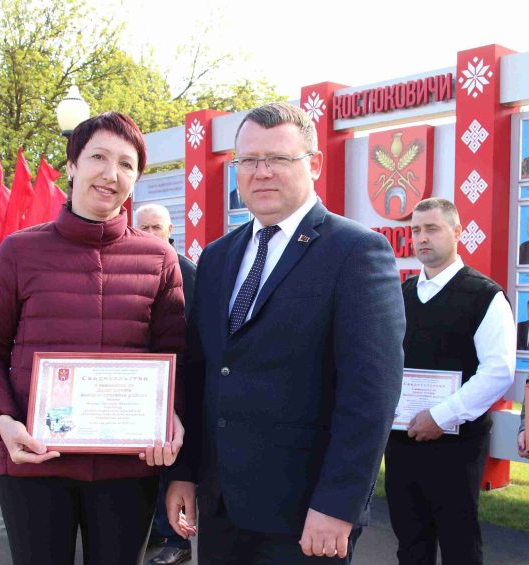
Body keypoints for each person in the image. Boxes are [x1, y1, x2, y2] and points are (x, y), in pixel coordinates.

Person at [166, 102, 406, 564]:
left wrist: (338, 504)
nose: (262, 172)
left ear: (313, 163)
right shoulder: (217, 257)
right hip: (221, 509)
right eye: (249, 160)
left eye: (278, 159)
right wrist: (184, 472)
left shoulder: (356, 252)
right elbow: (200, 375)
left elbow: (371, 393)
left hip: (306, 517)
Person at [0, 111, 186, 565]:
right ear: (72, 165)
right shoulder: (20, 251)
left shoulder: (159, 258)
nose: (111, 174)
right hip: (34, 465)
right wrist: (3, 422)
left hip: (127, 470)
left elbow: (176, 355)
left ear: (136, 178)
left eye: (126, 164)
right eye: (98, 158)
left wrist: (174, 417)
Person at [385, 197, 516, 565]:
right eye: (415, 230)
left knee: (459, 546)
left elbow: (498, 371)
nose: (421, 238)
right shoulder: (401, 295)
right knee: (410, 544)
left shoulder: (485, 296)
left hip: (456, 449)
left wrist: (442, 416)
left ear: (457, 232)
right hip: (402, 442)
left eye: (432, 228)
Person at [135, 203, 196, 565]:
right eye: (143, 228)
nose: (150, 234)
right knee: (149, 466)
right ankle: (158, 529)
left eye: (156, 227)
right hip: (140, 387)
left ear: (170, 229)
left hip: (178, 385)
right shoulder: (130, 267)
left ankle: (179, 540)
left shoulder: (187, 271)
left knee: (177, 466)